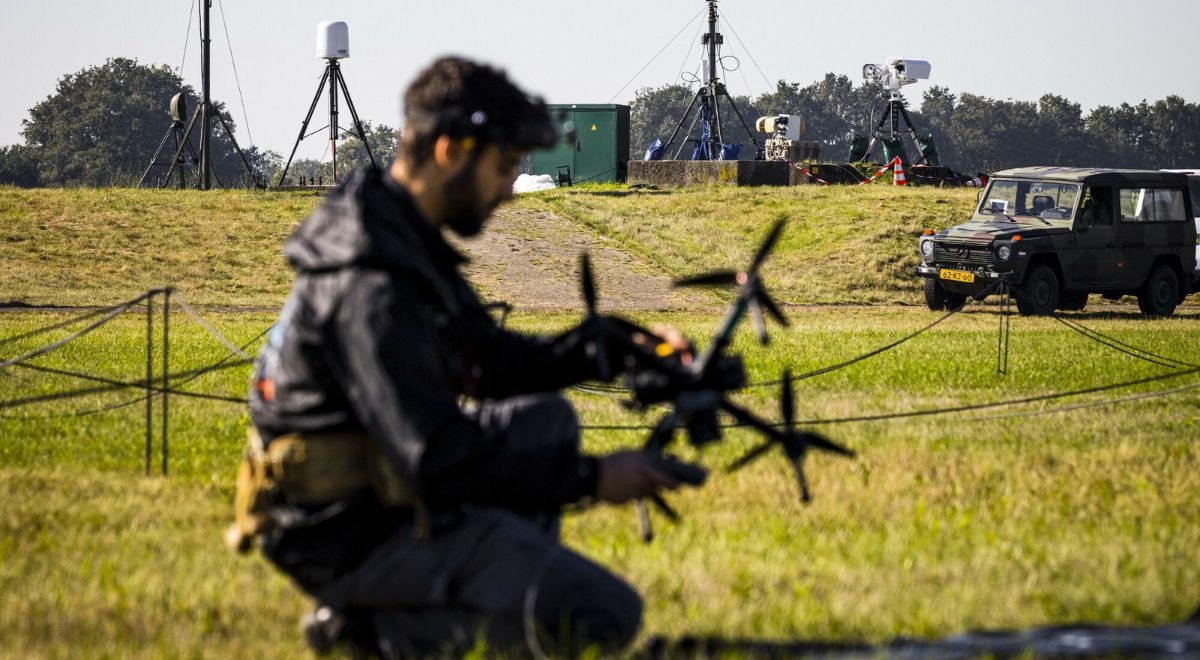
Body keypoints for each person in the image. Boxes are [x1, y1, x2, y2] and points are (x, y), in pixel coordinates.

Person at [241, 56, 683, 657]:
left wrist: (619, 346)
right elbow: (437, 459)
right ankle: (378, 633)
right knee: (605, 612)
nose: (509, 188)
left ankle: (473, 589)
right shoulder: (372, 285)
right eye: (503, 167)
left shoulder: (396, 234)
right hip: (346, 532)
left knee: (545, 421)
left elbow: (492, 363)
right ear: (450, 150)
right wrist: (593, 478)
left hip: (378, 492)